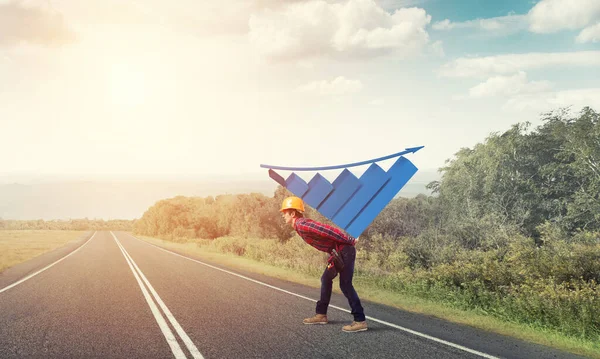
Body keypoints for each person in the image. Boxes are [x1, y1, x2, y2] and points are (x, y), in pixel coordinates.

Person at [280, 196, 367, 332]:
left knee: (345, 284)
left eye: (284, 213)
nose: (283, 216)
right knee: (326, 279)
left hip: (345, 250)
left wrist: (350, 240)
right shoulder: (299, 226)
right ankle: (321, 315)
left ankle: (360, 320)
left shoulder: (302, 224)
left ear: (292, 213)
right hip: (338, 253)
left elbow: (327, 230)